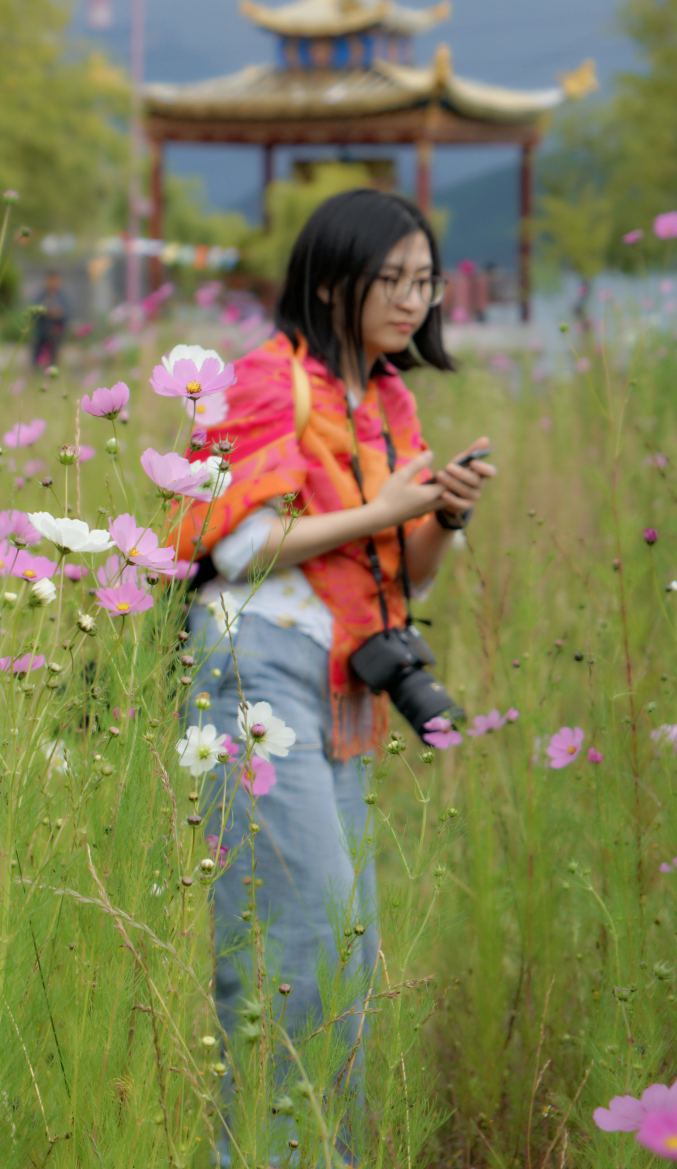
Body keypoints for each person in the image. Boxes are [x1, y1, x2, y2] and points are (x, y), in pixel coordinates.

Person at [172, 188, 496, 1158]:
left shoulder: (388, 400)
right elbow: (234, 545)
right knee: (294, 944)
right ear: (328, 282)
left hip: (340, 676)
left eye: (424, 280)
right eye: (389, 279)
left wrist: (440, 512)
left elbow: (408, 575)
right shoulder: (269, 381)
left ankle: (318, 1150)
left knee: (341, 936)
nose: (411, 298)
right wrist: (379, 508)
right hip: (254, 665)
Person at [30, 271, 68, 368]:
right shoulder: (40, 296)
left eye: (55, 280)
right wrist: (45, 312)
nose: (52, 283)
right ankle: (36, 369)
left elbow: (68, 313)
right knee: (37, 351)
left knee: (54, 354)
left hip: (56, 331)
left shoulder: (63, 297)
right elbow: (34, 311)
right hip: (42, 330)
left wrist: (59, 314)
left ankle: (52, 367)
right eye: (50, 280)